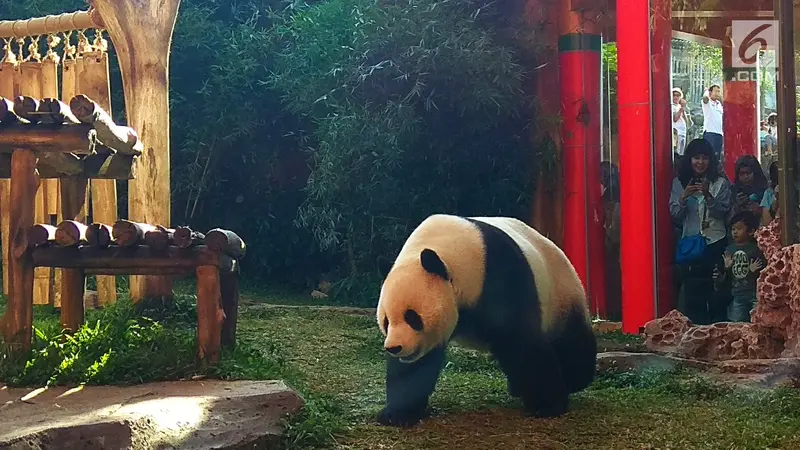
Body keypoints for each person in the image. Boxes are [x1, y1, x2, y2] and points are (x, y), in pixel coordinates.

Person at [670, 138, 733, 324]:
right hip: (691, 245)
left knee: (716, 291)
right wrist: (683, 197)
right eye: (696, 158)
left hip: (715, 241)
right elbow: (674, 215)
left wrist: (708, 195)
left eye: (704, 158)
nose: (700, 162)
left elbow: (724, 211)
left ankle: (717, 328)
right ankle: (695, 331)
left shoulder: (721, 183)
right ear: (689, 160)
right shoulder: (678, 183)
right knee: (693, 291)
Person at [716, 211, 765, 322]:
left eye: (739, 229)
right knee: (737, 322)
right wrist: (727, 268)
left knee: (758, 321)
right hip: (737, 293)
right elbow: (726, 276)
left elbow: (763, 270)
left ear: (751, 231)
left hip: (754, 293)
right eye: (733, 229)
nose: (735, 232)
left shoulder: (756, 249)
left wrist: (755, 271)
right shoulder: (729, 250)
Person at [702, 85, 724, 162]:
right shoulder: (707, 103)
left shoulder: (719, 104)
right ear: (710, 92)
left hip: (719, 133)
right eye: (715, 91)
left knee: (717, 157)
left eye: (718, 91)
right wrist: (706, 92)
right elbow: (705, 98)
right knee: (709, 155)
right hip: (710, 133)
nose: (717, 93)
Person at [672, 87, 690, 156]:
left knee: (682, 153)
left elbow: (687, 121)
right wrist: (680, 110)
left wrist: (683, 109)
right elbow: (675, 119)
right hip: (676, 133)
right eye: (674, 95)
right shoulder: (672, 106)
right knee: (677, 152)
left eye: (678, 95)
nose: (676, 97)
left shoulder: (680, 106)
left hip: (683, 132)